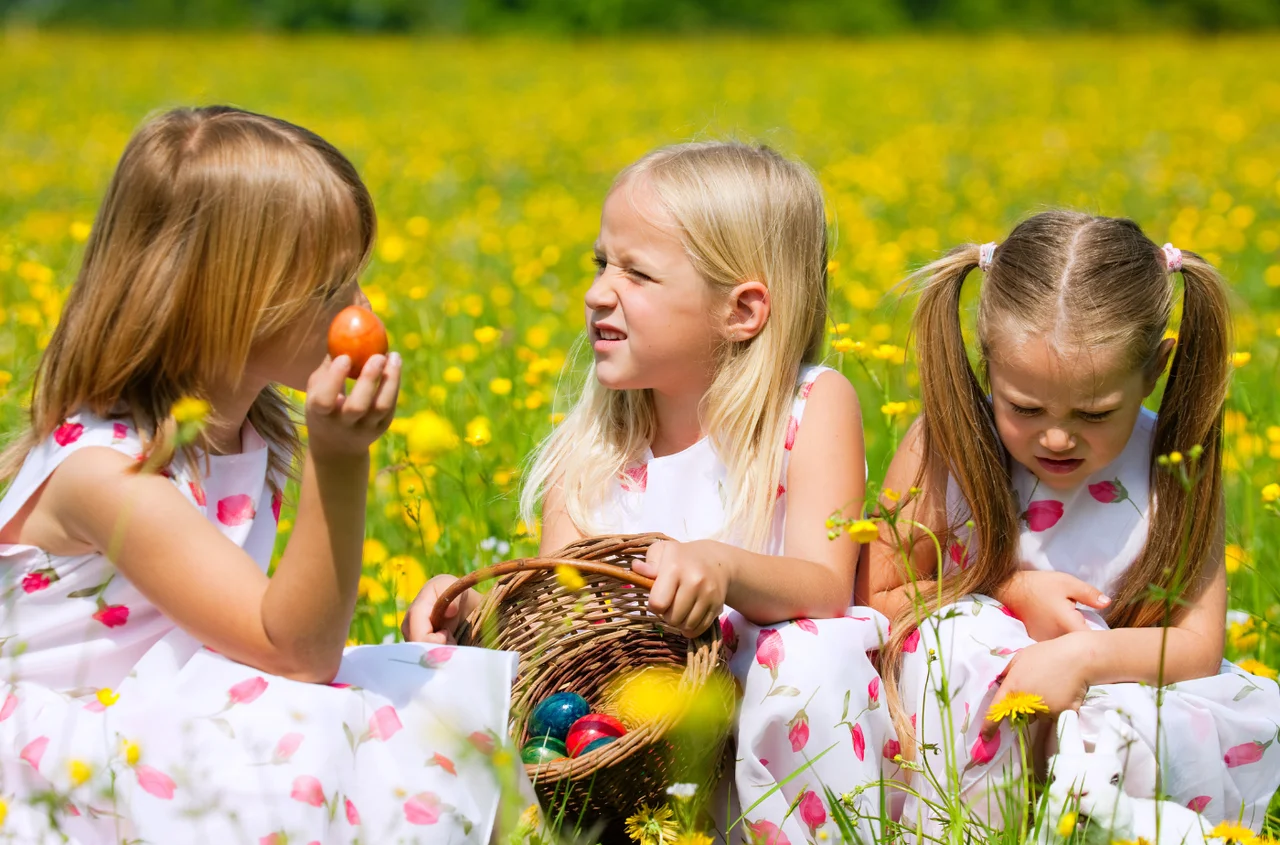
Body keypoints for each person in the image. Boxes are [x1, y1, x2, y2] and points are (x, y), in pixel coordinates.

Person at [0, 106, 525, 844]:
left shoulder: (243, 429)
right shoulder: (111, 476)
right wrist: (339, 459)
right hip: (55, 753)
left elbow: (278, 638)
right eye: (330, 288)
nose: (362, 311)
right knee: (303, 723)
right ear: (222, 299)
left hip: (160, 700)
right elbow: (296, 652)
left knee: (425, 690)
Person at [407, 142, 897, 843]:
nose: (599, 291)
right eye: (600, 263)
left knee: (811, 656)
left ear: (743, 310)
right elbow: (561, 629)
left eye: (636, 273)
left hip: (764, 746)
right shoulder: (597, 446)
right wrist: (469, 614)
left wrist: (721, 566)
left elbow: (825, 586)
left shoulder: (810, 406)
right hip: (631, 755)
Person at [864, 211, 1280, 835]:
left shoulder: (1174, 466)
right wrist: (1006, 590)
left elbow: (1195, 646)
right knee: (962, 635)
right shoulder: (946, 446)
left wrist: (1083, 657)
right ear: (987, 364)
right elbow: (874, 595)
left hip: (1110, 690)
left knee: (1153, 723)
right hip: (959, 722)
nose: (1056, 436)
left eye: (1094, 413)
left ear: (1155, 370)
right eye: (1025, 407)